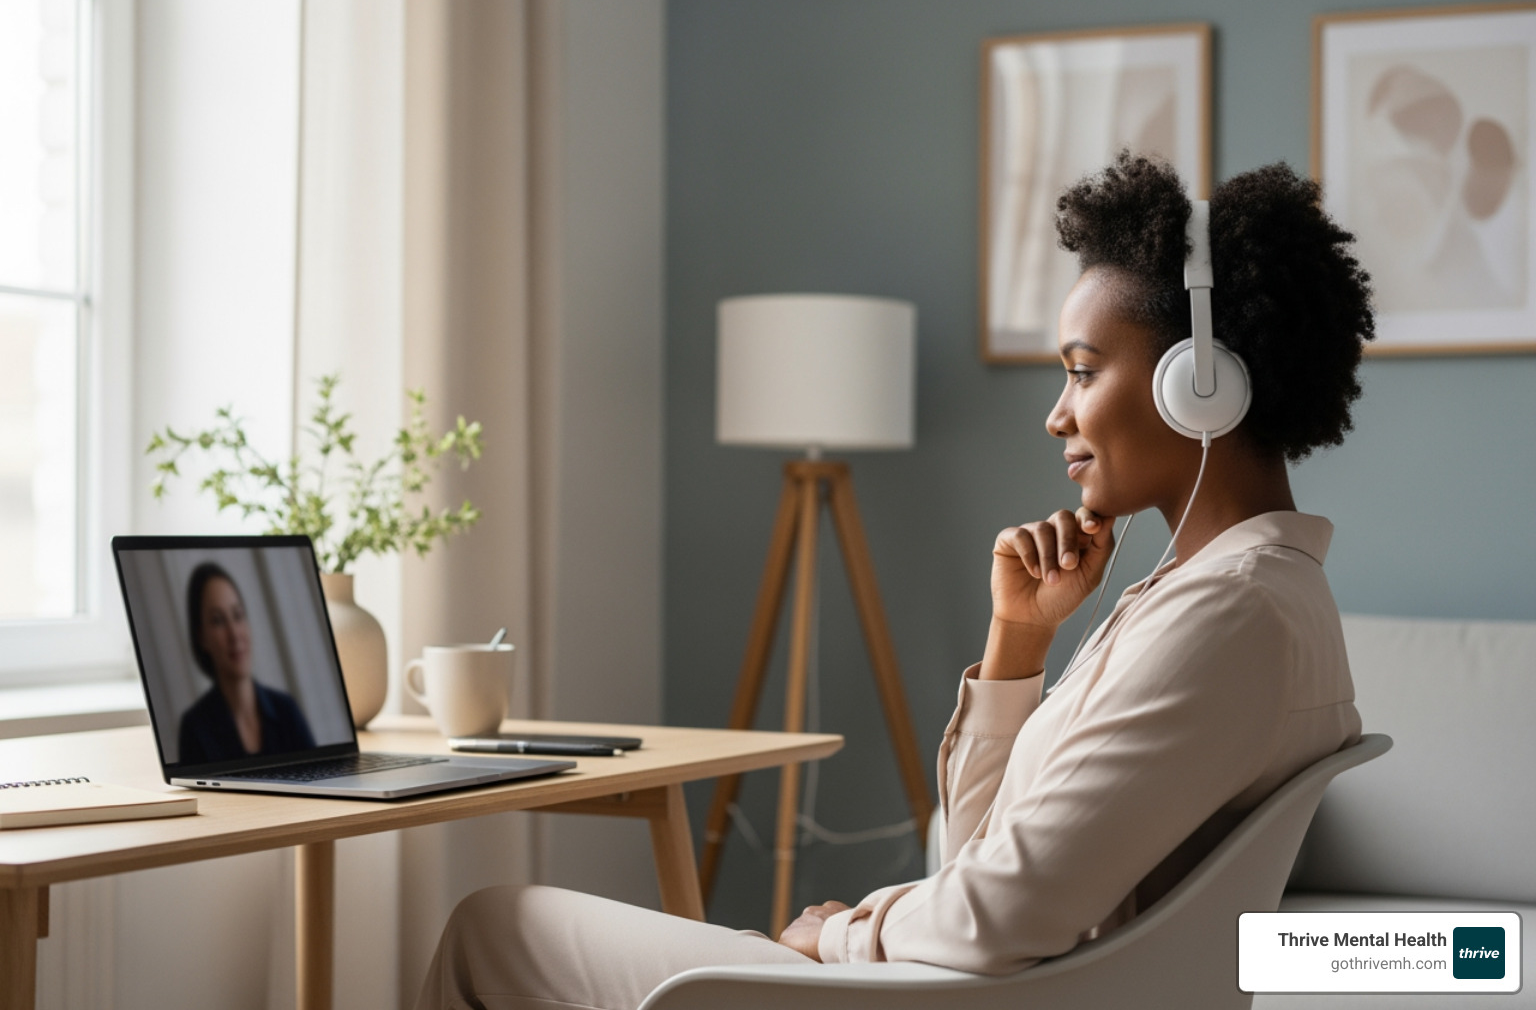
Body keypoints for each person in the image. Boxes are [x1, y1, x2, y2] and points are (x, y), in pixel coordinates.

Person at [413, 153, 1375, 1009]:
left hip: (971, 997)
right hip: (980, 984)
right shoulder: (1233, 592)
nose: (1056, 415)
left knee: (497, 927)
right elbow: (976, 859)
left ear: (1197, 382)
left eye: (1083, 373)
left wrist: (835, 937)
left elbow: (1002, 912)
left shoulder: (1228, 611)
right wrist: (1019, 644)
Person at [177, 562, 317, 763]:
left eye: (238, 615)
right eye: (218, 620)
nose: (234, 634)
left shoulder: (286, 709)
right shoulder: (195, 728)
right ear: (201, 638)